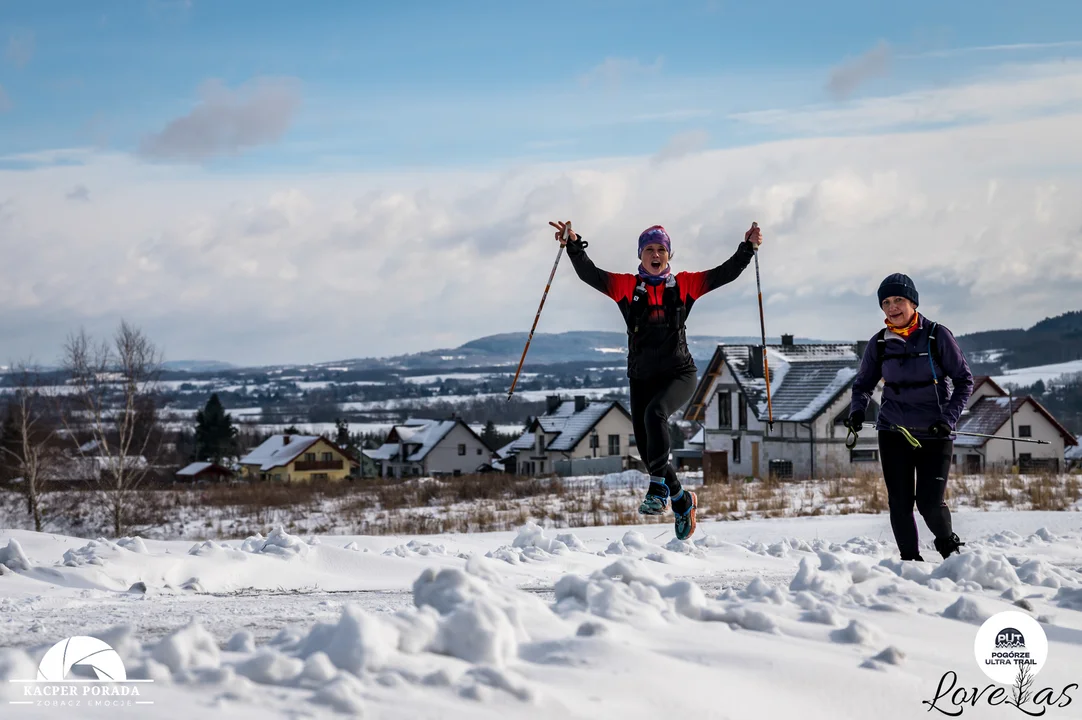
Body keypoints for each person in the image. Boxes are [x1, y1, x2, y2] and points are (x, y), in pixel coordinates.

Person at [549, 219, 762, 540]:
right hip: (641, 378)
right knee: (650, 454)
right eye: (649, 248)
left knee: (655, 414)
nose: (655, 253)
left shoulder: (685, 285)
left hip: (680, 374)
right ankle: (681, 499)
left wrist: (748, 248)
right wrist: (574, 245)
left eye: (661, 248)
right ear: (640, 255)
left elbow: (725, 272)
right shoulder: (626, 287)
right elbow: (590, 274)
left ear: (669, 254)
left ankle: (659, 489)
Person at [845, 273, 974, 561]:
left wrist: (948, 419)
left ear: (913, 302)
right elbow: (863, 385)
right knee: (900, 503)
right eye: (886, 302)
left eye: (899, 300)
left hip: (935, 432)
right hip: (893, 431)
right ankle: (910, 563)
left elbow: (964, 381)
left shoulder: (937, 335)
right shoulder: (879, 343)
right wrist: (856, 410)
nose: (892, 307)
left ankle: (952, 556)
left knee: (929, 503)